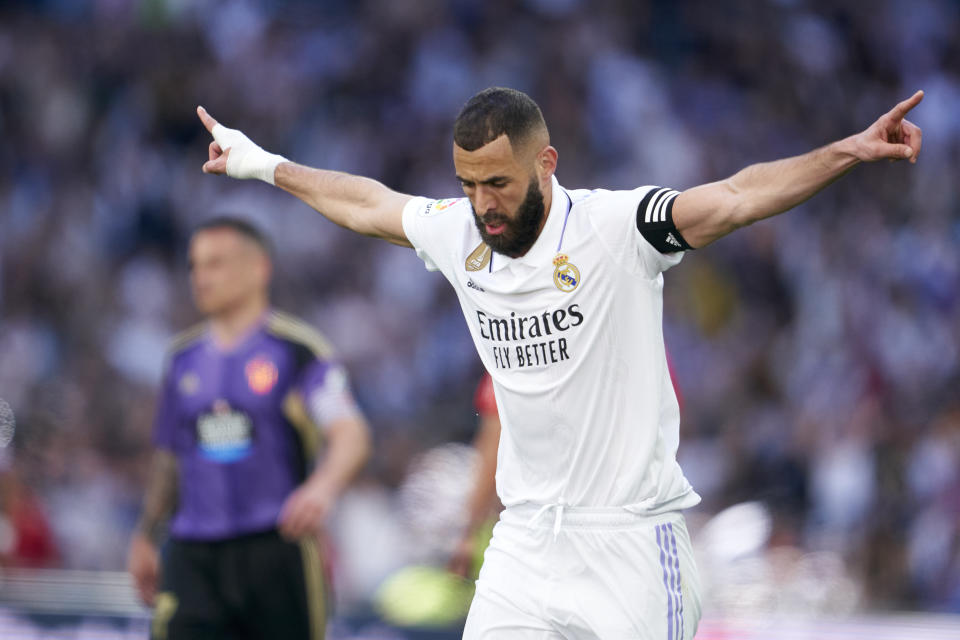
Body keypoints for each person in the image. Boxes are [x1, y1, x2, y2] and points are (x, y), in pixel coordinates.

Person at [196, 87, 923, 639]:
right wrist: (260, 163)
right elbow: (367, 203)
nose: (482, 204)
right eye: (468, 184)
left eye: (499, 184)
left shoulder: (618, 229)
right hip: (524, 544)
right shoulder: (460, 237)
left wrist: (847, 153)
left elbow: (735, 198)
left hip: (632, 542)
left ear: (545, 163)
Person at [126, 217, 371, 640]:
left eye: (216, 264)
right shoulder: (181, 358)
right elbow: (169, 455)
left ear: (259, 269)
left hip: (277, 550)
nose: (201, 278)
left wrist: (323, 487)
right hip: (193, 554)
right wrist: (147, 535)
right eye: (195, 266)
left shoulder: (297, 350)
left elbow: (350, 432)